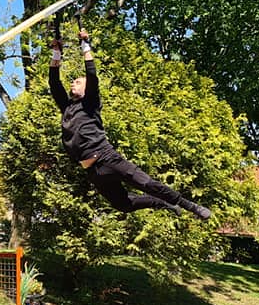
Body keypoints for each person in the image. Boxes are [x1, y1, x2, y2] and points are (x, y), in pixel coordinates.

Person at [48, 30, 211, 220]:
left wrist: (85, 46)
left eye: (78, 81)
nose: (73, 83)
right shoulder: (67, 107)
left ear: (87, 89)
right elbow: (54, 82)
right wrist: (57, 53)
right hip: (92, 171)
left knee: (147, 184)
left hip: (106, 157)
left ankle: (191, 206)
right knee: (123, 205)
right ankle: (160, 203)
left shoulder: (90, 103)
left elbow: (91, 74)